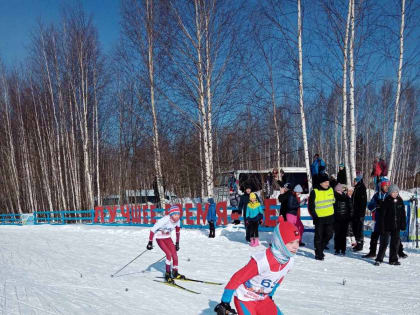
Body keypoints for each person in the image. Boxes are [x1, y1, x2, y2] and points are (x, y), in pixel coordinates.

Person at [214, 218, 300, 315]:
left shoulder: (289, 261)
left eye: (297, 242)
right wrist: (225, 302)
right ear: (280, 242)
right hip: (245, 298)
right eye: (291, 242)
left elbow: (279, 278)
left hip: (263, 299)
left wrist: (270, 295)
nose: (296, 246)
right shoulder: (262, 261)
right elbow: (238, 278)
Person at [363, 179, 408, 259]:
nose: (386, 187)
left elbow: (399, 206)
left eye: (388, 185)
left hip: (389, 221)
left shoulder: (391, 194)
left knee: (395, 237)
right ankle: (372, 252)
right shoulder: (377, 195)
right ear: (381, 186)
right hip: (378, 219)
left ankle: (400, 252)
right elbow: (370, 206)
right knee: (375, 235)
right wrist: (377, 205)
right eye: (385, 185)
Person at [146, 205, 184, 283]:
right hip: (160, 238)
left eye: (178, 214)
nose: (177, 216)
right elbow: (153, 229)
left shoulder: (178, 221)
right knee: (168, 254)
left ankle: (175, 272)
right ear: (171, 214)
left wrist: (177, 243)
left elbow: (177, 232)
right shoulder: (165, 219)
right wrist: (150, 242)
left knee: (174, 254)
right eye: (175, 214)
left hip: (167, 238)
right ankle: (167, 274)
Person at [374, 184, 406, 266]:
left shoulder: (400, 201)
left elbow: (403, 213)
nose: (395, 193)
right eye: (393, 192)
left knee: (395, 243)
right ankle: (379, 259)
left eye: (396, 192)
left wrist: (403, 223)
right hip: (387, 226)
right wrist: (382, 226)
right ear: (390, 192)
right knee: (384, 243)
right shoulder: (387, 201)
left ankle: (393, 259)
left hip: (396, 226)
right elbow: (382, 215)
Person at [308, 173, 335, 260]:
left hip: (330, 217)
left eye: (328, 182)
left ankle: (320, 249)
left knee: (329, 235)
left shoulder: (331, 190)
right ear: (320, 183)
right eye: (325, 182)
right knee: (318, 236)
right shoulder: (314, 192)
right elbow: (311, 207)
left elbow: (333, 202)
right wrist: (315, 216)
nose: (327, 184)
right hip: (319, 218)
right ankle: (318, 253)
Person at [333, 184, 352, 255]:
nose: (338, 192)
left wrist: (350, 217)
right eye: (337, 190)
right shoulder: (333, 198)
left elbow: (350, 208)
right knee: (337, 234)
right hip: (337, 219)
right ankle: (337, 249)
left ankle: (343, 249)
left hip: (345, 219)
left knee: (343, 235)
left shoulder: (347, 197)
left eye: (339, 190)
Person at [351, 174, 367, 252]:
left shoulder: (361, 188)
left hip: (359, 213)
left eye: (355, 180)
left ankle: (360, 245)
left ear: (358, 181)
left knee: (359, 229)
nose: (354, 182)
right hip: (355, 213)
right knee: (355, 228)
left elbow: (363, 202)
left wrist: (361, 213)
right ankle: (358, 243)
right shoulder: (357, 188)